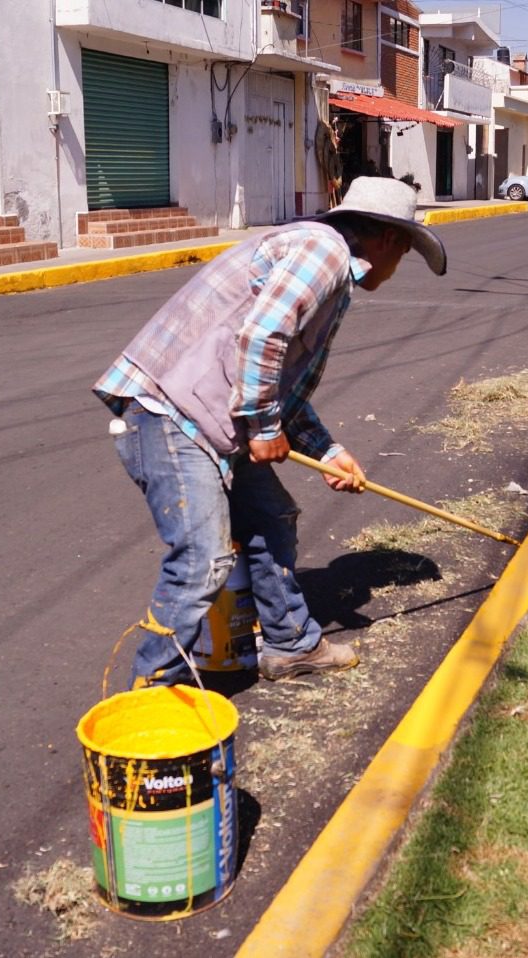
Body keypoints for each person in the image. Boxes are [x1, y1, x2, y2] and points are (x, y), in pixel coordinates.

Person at [94, 178, 447, 688]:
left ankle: (292, 644)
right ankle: (149, 693)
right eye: (405, 254)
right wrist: (261, 426)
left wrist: (328, 450)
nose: (397, 269)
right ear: (389, 240)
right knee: (201, 561)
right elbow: (261, 336)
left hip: (216, 421)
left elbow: (280, 383)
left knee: (270, 517)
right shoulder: (322, 251)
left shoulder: (325, 263)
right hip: (170, 413)